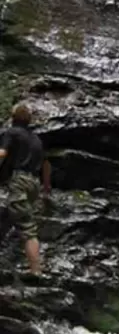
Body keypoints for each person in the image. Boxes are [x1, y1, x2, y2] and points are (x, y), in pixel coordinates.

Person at [0, 103, 51, 274]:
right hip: (33, 183)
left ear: (13, 117)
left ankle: (36, 271)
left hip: (19, 180)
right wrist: (46, 188)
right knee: (6, 217)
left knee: (27, 228)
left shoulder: (12, 133)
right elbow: (45, 165)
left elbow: (1, 154)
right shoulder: (36, 139)